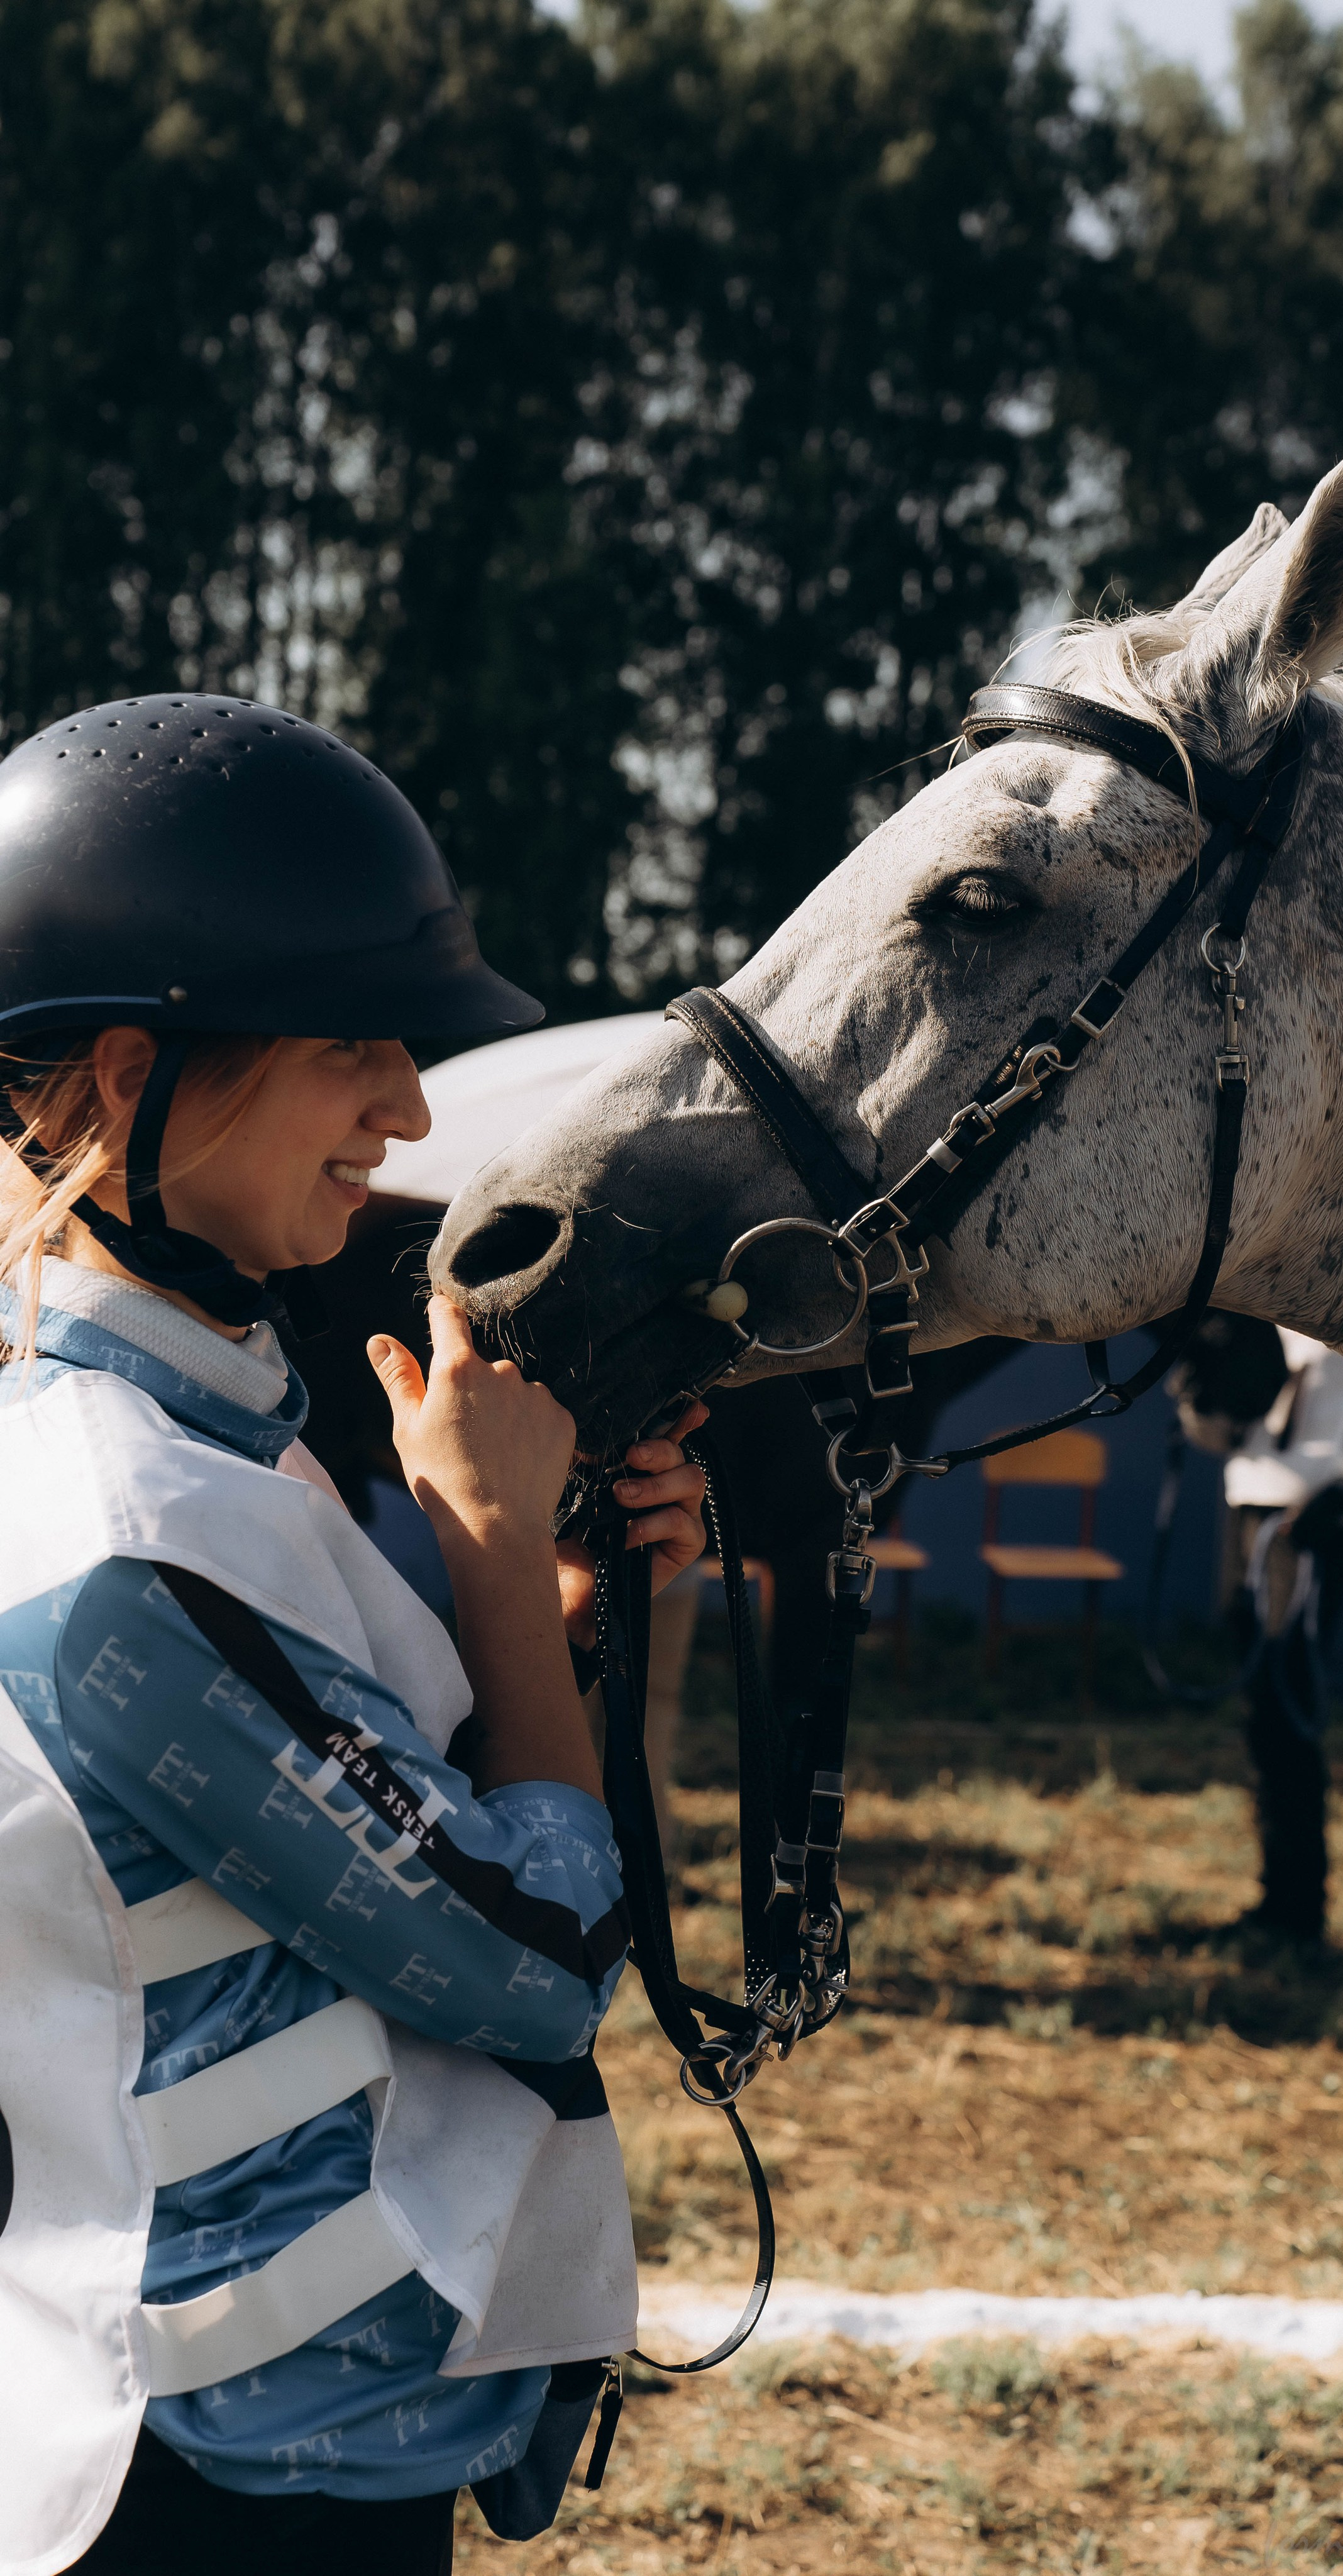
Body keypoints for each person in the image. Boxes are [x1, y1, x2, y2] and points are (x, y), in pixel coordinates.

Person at [0, 693, 708, 2576]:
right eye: (354, 1051)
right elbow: (540, 1959)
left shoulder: (232, 1451)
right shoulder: (127, 1554)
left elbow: (474, 1843)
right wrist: (485, 1552)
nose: (408, 1112)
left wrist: (570, 1609)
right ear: (136, 1078)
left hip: (303, 2459)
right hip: (211, 2501)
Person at [1172, 1321, 1343, 1943]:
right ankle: (1277, 1896)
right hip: (1249, 1505)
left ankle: (1298, 1904)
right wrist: (1196, 1396)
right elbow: (1224, 1430)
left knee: (1288, 1702)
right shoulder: (1262, 1314)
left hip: (1318, 1522)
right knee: (1261, 1707)